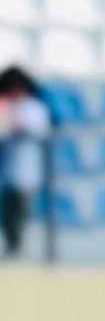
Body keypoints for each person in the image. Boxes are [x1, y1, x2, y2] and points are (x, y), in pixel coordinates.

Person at [0, 66, 51, 258]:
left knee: (21, 210)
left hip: (26, 167)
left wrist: (12, 121)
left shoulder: (34, 108)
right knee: (7, 212)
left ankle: (19, 248)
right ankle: (11, 246)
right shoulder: (7, 106)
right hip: (8, 168)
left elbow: (36, 129)